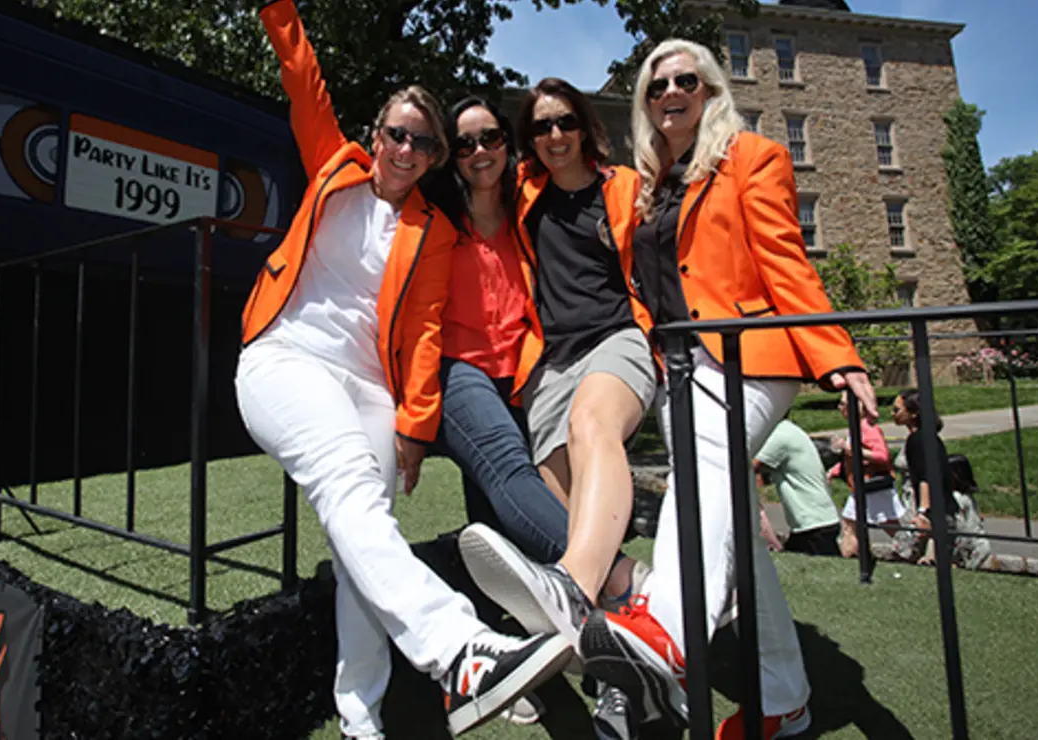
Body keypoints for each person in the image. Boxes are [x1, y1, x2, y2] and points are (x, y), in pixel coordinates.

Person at [234, 4, 572, 737]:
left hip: (369, 389)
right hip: (285, 359)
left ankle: (361, 714)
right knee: (351, 491)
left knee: (365, 531)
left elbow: (423, 334)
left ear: (434, 156)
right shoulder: (335, 167)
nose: (406, 149)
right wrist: (277, 10)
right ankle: (462, 652)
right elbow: (303, 79)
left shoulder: (434, 230)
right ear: (374, 136)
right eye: (396, 134)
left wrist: (415, 428)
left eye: (423, 142)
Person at [570, 38, 879, 740]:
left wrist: (839, 358)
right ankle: (785, 701)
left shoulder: (753, 157)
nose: (670, 91)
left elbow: (786, 262)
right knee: (733, 514)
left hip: (750, 356)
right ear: (646, 102)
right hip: (680, 369)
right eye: (656, 85)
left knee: (706, 465)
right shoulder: (650, 181)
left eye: (687, 79)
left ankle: (670, 628)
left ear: (710, 89)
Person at [422, 93, 651, 735]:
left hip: (525, 371)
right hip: (458, 369)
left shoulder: (530, 198)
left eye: (489, 137)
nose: (478, 152)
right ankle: (624, 581)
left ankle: (519, 654)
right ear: (452, 155)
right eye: (463, 143)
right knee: (510, 475)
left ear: (507, 143)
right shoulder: (435, 215)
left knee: (496, 517)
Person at [888, 390, 991, 568]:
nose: (892, 414)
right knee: (935, 560)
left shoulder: (918, 440)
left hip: (930, 509)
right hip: (941, 509)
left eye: (897, 410)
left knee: (909, 555)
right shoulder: (929, 437)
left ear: (913, 413)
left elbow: (925, 477)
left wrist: (922, 511)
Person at [828, 391, 905, 558]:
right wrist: (834, 471)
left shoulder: (867, 428)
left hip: (872, 486)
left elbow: (882, 456)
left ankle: (917, 550)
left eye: (843, 404)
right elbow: (853, 458)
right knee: (850, 524)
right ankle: (855, 555)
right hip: (862, 486)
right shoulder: (857, 426)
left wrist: (849, 448)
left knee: (889, 526)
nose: (839, 408)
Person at [754, 418, 842, 556]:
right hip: (813, 523)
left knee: (829, 571)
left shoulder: (780, 434)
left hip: (814, 524)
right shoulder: (789, 430)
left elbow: (752, 466)